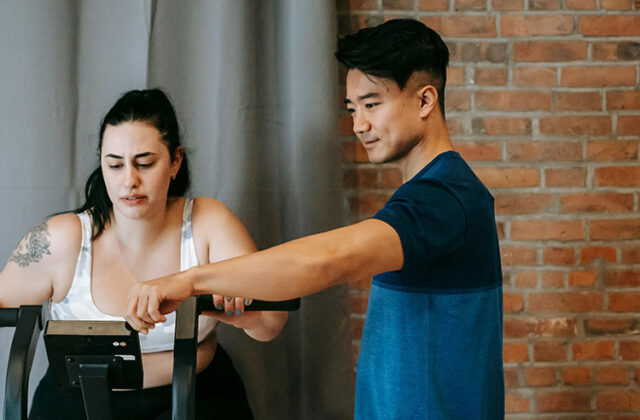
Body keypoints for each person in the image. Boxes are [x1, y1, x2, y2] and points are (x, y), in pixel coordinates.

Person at [126, 19, 504, 419]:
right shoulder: (432, 192)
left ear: (425, 101)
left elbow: (329, 259)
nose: (359, 124)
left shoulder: (444, 198)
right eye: (353, 108)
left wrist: (187, 280)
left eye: (372, 104)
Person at [0, 89, 287, 420]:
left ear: (175, 161)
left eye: (145, 163)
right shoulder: (61, 238)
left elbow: (271, 324)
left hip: (193, 399)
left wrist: (242, 312)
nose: (129, 181)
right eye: (115, 165)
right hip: (76, 405)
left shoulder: (208, 221)